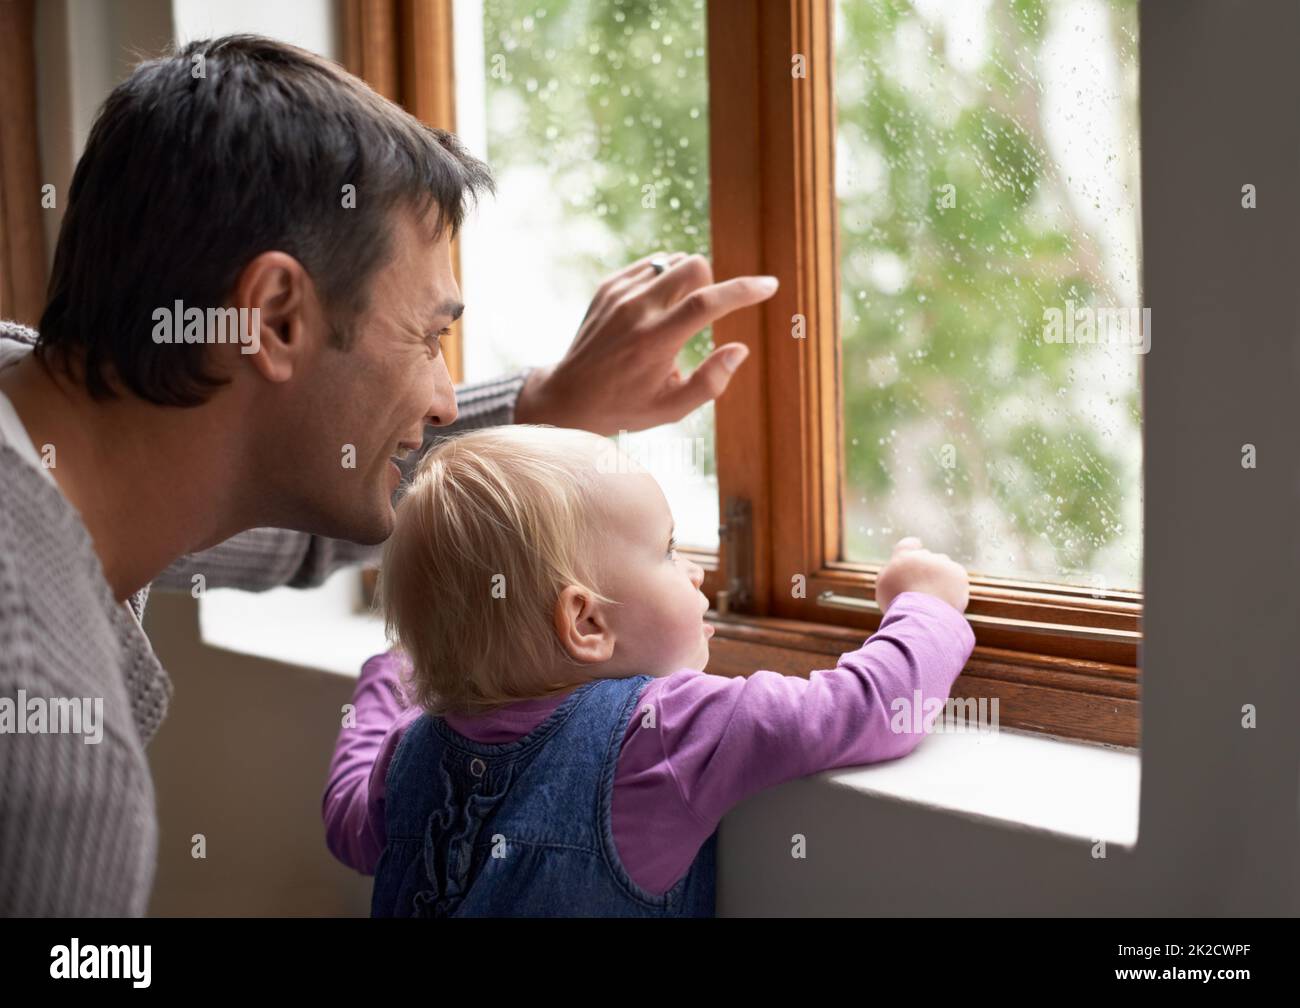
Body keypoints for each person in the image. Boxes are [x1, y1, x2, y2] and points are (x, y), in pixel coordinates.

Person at [0, 34, 777, 916]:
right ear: (276, 317)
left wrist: (543, 410)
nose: (446, 399)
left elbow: (280, 520)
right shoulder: (50, 749)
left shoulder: (54, 438)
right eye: (427, 338)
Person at [323, 426, 974, 916]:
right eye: (667, 550)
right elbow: (865, 708)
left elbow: (345, 818)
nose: (695, 572)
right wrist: (924, 604)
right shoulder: (665, 731)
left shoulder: (407, 753)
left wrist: (394, 667)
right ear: (586, 624)